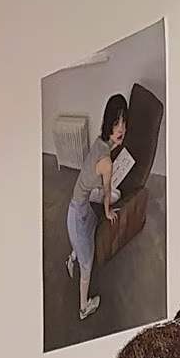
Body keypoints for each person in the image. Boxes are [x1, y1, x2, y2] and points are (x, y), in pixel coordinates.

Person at [66, 93, 128, 323]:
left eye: (124, 122)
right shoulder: (107, 163)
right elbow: (106, 192)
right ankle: (83, 308)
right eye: (116, 123)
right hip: (77, 213)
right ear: (108, 123)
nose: (121, 129)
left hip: (81, 203)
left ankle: (74, 254)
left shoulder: (99, 143)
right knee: (87, 265)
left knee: (92, 226)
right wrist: (108, 212)